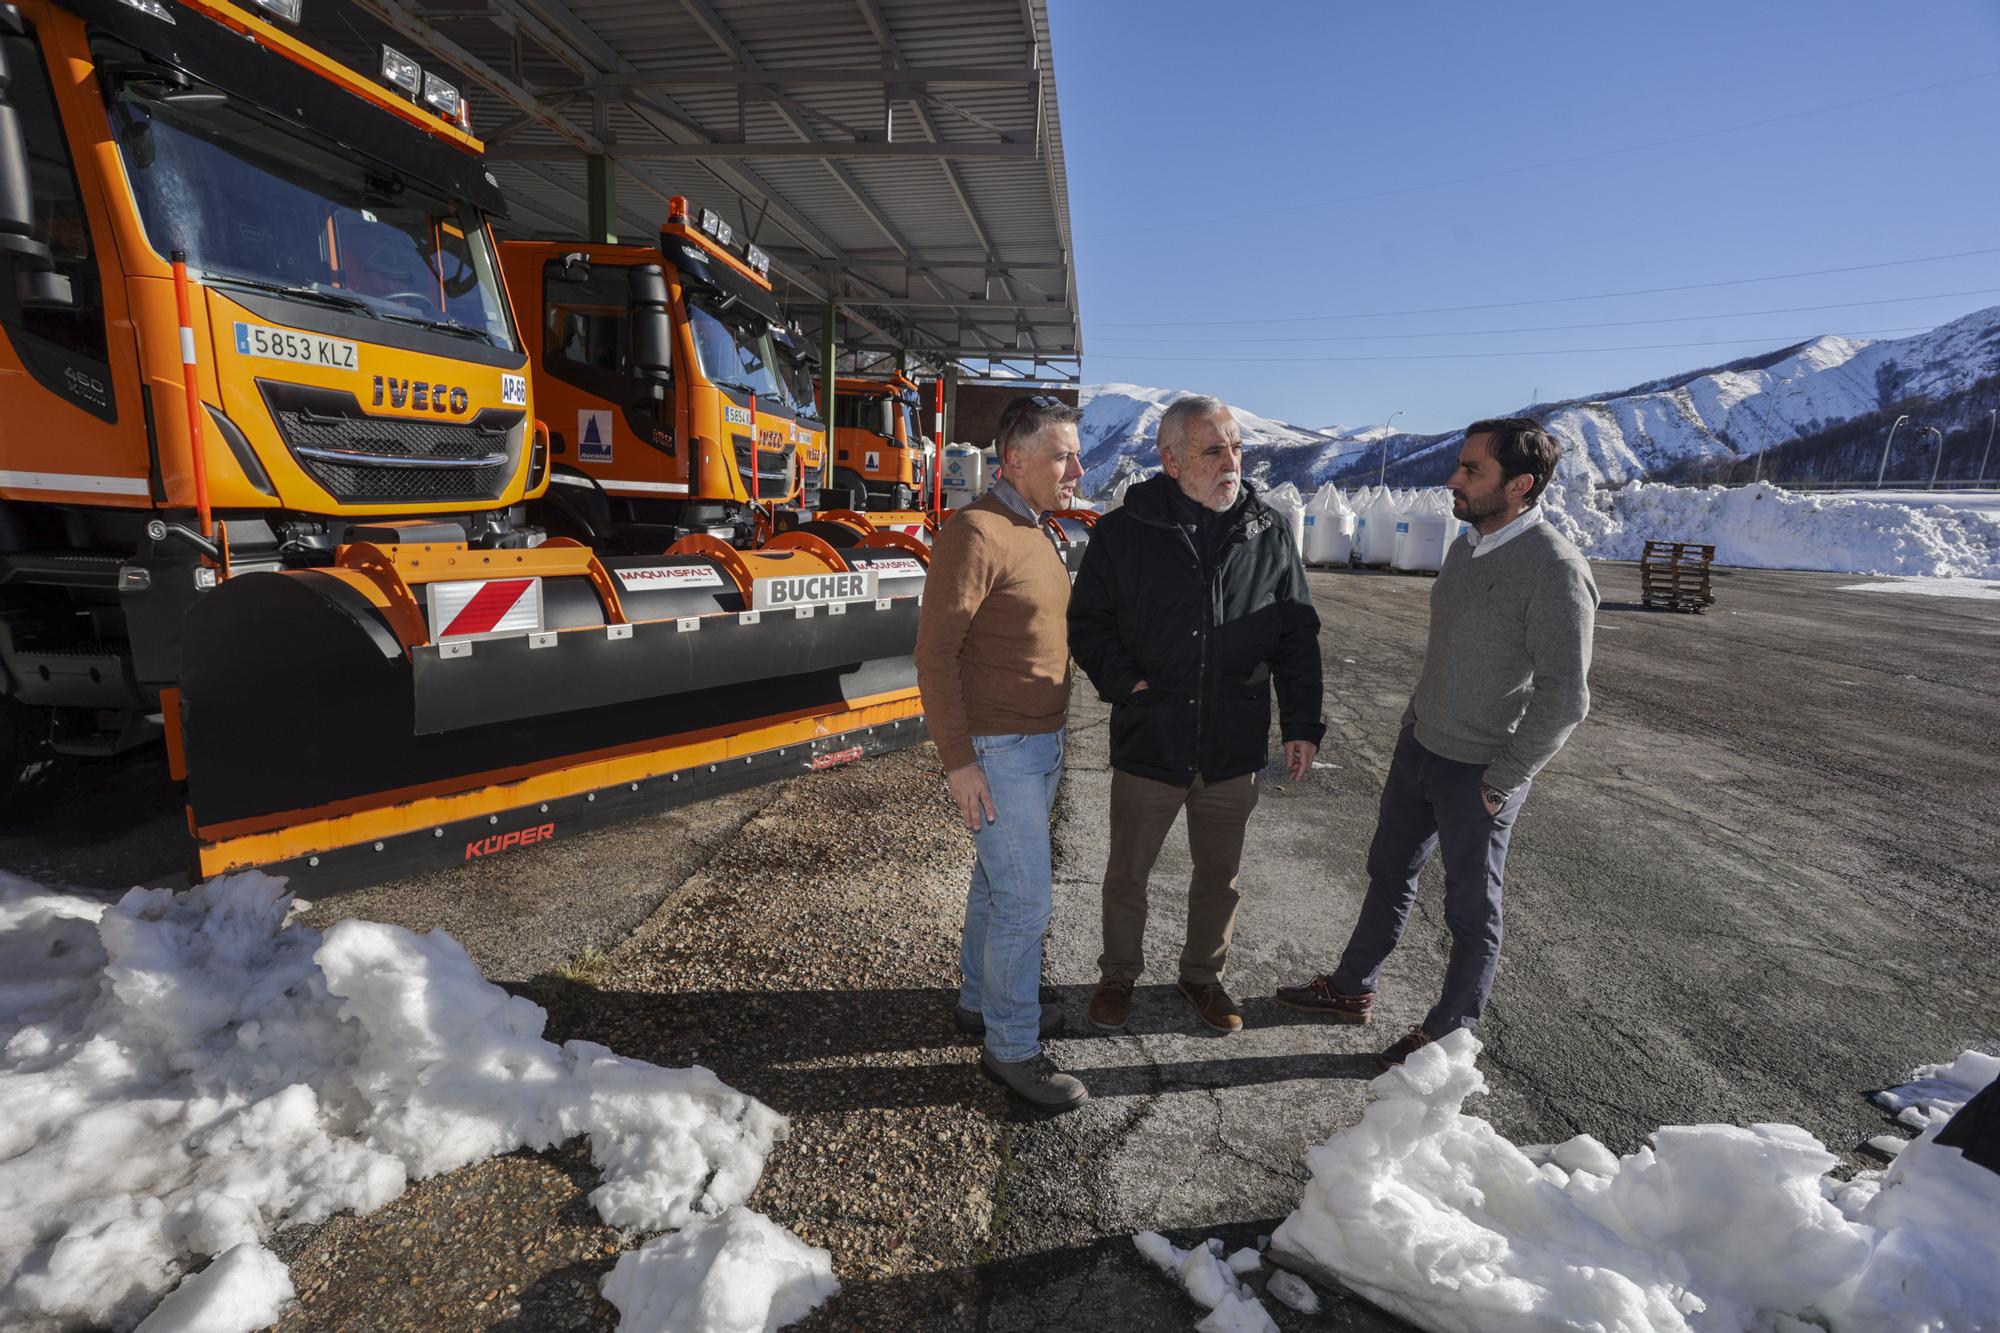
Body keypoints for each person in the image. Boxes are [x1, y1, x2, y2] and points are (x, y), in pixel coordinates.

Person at [1275, 418, 1599, 1069]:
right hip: (1421, 750)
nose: (1453, 478)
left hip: (1481, 770)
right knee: (1388, 874)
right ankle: (1350, 988)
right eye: (1460, 464)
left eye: (1472, 470)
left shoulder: (1555, 570)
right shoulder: (1463, 547)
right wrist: (1414, 722)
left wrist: (1502, 778)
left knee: (1471, 912)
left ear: (1521, 484)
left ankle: (1448, 1036)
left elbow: (1567, 697)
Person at [1069, 396, 1324, 1035]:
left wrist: (1300, 725)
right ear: (1172, 460)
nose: (1231, 462)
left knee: (1221, 878)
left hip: (1232, 745)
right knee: (1127, 873)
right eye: (1214, 450)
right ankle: (1118, 974)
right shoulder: (1125, 533)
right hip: (1151, 734)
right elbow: (1088, 623)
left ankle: (1202, 977)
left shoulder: (1267, 531)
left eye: (1237, 448)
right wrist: (1128, 683)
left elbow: (1296, 636)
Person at [915, 394, 1088, 1113]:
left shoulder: (1036, 528)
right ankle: (1010, 1047)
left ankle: (979, 1000)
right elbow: (934, 653)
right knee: (1025, 899)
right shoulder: (977, 532)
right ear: (1015, 459)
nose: (1076, 467)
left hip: (1036, 744)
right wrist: (959, 759)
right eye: (1061, 455)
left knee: (996, 885)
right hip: (999, 749)